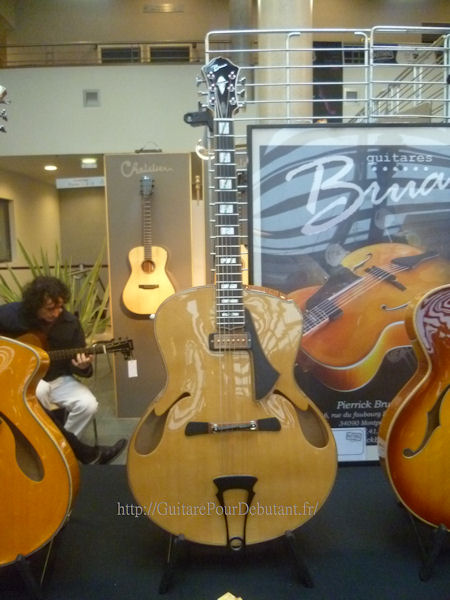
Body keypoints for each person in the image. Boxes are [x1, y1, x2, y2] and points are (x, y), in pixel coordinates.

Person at [0, 275, 126, 464]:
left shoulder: (70, 324)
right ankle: (67, 450)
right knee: (40, 390)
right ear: (35, 305)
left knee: (88, 403)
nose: (57, 313)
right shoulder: (12, 314)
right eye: (51, 308)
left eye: (60, 306)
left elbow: (79, 367)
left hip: (59, 378)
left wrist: (83, 366)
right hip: (24, 378)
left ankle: (60, 451)